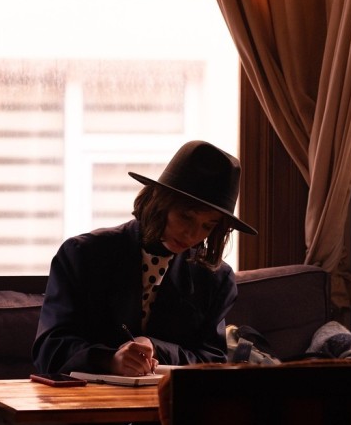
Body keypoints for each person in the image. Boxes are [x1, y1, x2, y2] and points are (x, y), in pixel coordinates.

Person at [32, 139, 257, 383]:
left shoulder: (215, 279)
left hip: (171, 404)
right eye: (186, 217)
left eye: (207, 226)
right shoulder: (83, 255)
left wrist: (155, 347)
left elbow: (212, 360)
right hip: (87, 403)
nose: (192, 234)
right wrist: (110, 359)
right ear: (160, 201)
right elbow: (48, 350)